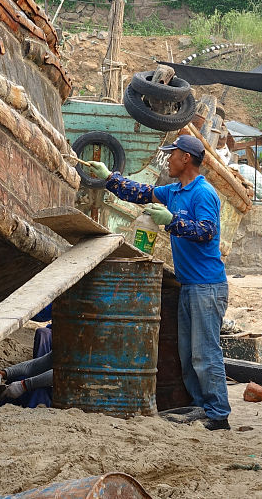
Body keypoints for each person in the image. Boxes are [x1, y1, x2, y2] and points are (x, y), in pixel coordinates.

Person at [82, 133, 231, 431]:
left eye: (171, 154)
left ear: (185, 158)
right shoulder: (175, 191)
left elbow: (206, 231)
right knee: (189, 354)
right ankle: (202, 407)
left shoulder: (203, 193)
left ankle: (218, 413)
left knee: (205, 352)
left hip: (207, 285)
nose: (168, 159)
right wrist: (109, 177)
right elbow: (140, 193)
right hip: (191, 285)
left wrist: (171, 220)